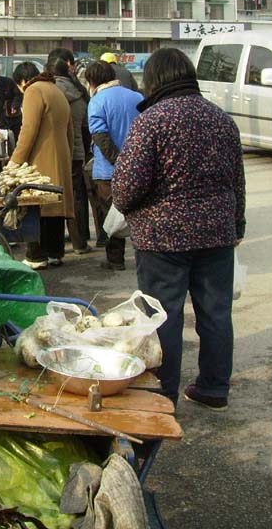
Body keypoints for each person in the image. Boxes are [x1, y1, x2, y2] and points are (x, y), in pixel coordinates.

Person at [111, 48, 245, 409]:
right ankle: (214, 389)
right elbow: (237, 181)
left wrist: (128, 208)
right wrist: (237, 224)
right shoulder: (221, 120)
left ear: (153, 80)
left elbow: (125, 188)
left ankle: (162, 393)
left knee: (163, 316)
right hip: (217, 233)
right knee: (216, 313)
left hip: (162, 238)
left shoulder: (152, 121)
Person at [10, 62, 75, 270]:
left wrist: (15, 161)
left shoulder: (33, 90)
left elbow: (28, 129)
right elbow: (70, 131)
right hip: (61, 153)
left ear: (22, 82)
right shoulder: (56, 89)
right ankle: (55, 253)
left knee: (38, 204)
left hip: (41, 156)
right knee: (55, 205)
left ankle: (36, 256)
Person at [85, 60, 143, 271]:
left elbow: (100, 135)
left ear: (92, 80)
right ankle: (143, 255)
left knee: (111, 214)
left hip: (108, 171)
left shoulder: (97, 101)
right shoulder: (137, 97)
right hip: (139, 167)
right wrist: (131, 162)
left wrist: (118, 161)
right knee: (139, 212)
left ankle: (115, 259)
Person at [48, 52, 91, 255]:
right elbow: (85, 127)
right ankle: (80, 241)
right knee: (78, 196)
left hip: (59, 152)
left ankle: (57, 243)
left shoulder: (53, 91)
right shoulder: (80, 92)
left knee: (57, 196)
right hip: (78, 151)